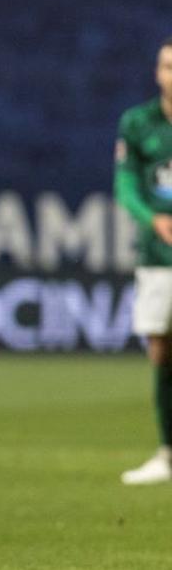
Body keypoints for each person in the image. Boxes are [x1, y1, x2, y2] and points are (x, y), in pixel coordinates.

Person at [116, 36, 172, 485]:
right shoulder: (137, 122)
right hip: (157, 256)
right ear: (157, 72)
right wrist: (151, 219)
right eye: (167, 66)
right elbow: (125, 184)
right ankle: (167, 452)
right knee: (161, 349)